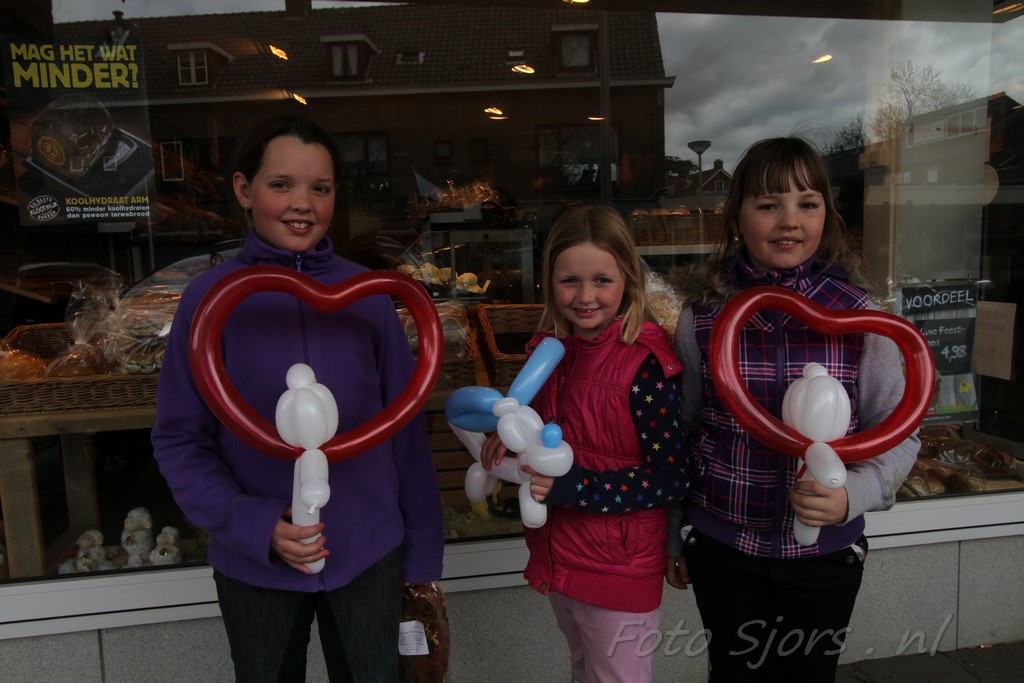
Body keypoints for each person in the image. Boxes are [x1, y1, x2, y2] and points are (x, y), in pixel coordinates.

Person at [150, 114, 444, 682]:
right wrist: (252, 524)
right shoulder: (208, 301)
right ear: (244, 189)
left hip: (368, 557)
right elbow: (181, 438)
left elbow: (405, 432)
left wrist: (422, 555)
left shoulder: (369, 297)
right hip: (255, 563)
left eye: (321, 188)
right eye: (281, 184)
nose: (302, 204)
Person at [664, 137, 920, 681]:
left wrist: (853, 496)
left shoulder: (863, 321)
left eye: (807, 203)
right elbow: (683, 428)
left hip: (825, 557)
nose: (789, 220)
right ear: (737, 216)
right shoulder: (702, 317)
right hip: (723, 547)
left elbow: (898, 433)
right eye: (768, 204)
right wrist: (673, 531)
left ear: (827, 214)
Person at [481, 204, 689, 683]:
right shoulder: (548, 354)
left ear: (628, 281)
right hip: (562, 555)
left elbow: (669, 477)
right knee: (583, 670)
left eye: (602, 280)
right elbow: (541, 431)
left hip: (618, 571)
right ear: (549, 283)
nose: (586, 296)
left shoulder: (644, 367)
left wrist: (576, 487)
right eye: (570, 281)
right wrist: (506, 436)